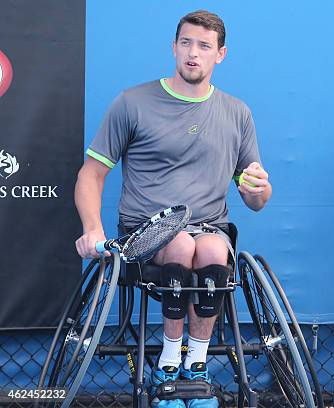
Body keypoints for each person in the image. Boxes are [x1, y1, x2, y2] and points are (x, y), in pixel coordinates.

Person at [74, 10, 272, 408]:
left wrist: (260, 190)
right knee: (181, 244)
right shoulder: (132, 103)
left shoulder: (237, 113)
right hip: (145, 232)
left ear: (221, 54)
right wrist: (92, 228)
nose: (193, 54)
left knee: (215, 250)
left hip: (209, 229)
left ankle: (195, 365)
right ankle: (168, 360)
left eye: (204, 46)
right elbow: (91, 175)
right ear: (174, 47)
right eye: (186, 43)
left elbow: (254, 200)